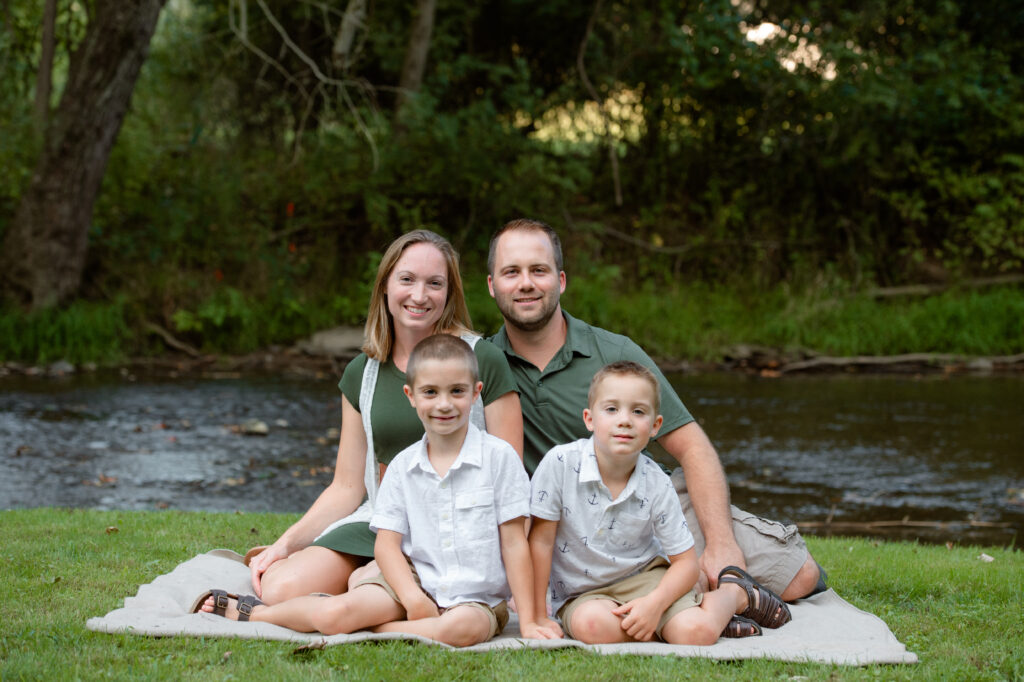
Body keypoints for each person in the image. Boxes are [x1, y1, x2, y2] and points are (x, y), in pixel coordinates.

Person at [486, 218, 825, 600]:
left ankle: (704, 585)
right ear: (492, 285)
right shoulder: (482, 363)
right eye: (511, 272)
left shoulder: (613, 353)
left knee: (800, 577)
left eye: (539, 270)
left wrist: (721, 543)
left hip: (645, 501)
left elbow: (692, 447)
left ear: (561, 280)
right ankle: (696, 594)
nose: (526, 283)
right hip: (562, 522)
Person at [194, 335, 556, 646]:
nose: (444, 404)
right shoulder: (402, 467)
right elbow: (386, 545)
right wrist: (413, 597)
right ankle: (258, 615)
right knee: (337, 613)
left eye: (456, 391)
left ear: (476, 393)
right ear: (410, 395)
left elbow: (513, 543)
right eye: (430, 392)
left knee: (463, 628)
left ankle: (378, 629)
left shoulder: (499, 458)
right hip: (415, 579)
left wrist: (529, 617)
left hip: (476, 597)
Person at [247, 230, 524, 604]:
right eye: (407, 279)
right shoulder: (363, 372)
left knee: (365, 593)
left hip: (455, 530)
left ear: (449, 293)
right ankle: (363, 573)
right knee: (279, 588)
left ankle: (374, 582)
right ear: (385, 287)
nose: (419, 295)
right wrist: (284, 544)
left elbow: (509, 479)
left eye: (434, 283)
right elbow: (346, 487)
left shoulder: (482, 360)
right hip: (381, 522)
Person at [528, 361, 791, 644]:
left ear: (655, 426)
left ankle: (734, 595)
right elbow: (540, 541)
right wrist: (536, 615)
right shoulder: (560, 463)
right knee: (592, 627)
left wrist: (654, 604)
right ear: (589, 418)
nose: (625, 420)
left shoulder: (656, 482)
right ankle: (686, 619)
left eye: (638, 411)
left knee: (696, 634)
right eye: (612, 409)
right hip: (583, 592)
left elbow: (687, 565)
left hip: (647, 580)